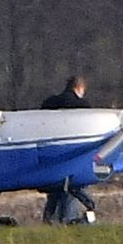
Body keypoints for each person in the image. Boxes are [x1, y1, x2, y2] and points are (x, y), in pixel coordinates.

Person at [40, 75, 97, 224]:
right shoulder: (82, 105)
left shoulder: (49, 103)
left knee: (53, 192)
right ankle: (68, 220)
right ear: (80, 88)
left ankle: (48, 220)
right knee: (71, 189)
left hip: (50, 155)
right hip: (72, 155)